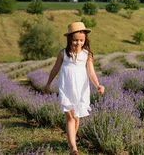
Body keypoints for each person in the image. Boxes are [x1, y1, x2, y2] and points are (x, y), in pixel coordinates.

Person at [44, 22, 105, 155]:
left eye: (81, 40)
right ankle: (73, 149)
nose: (78, 43)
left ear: (85, 40)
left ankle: (71, 141)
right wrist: (48, 84)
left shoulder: (87, 54)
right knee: (71, 117)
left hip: (81, 89)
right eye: (75, 40)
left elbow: (91, 73)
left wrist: (98, 85)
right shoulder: (63, 54)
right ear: (70, 39)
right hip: (66, 88)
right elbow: (55, 69)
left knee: (76, 118)